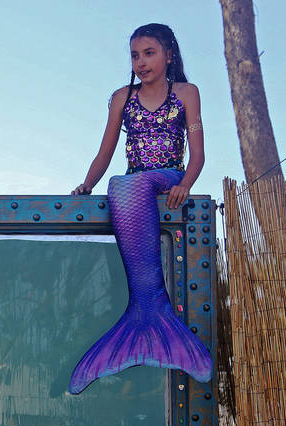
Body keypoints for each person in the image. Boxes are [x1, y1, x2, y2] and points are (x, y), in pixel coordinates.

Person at [69, 23, 213, 393]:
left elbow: (197, 155)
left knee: (128, 183)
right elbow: (105, 152)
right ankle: (147, 309)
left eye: (149, 53)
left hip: (166, 176)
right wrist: (87, 185)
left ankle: (150, 307)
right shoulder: (121, 97)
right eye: (134, 55)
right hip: (135, 181)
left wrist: (185, 184)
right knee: (124, 182)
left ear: (169, 54)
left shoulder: (186, 93)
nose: (141, 62)